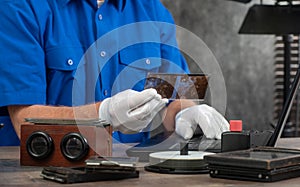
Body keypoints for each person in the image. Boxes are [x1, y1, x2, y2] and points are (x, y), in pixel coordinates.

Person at [0, 0, 229, 146]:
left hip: (134, 175)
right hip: (45, 175)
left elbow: (174, 100)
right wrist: (104, 114)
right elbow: (24, 121)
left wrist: (185, 114)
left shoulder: (154, 11)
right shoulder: (20, 7)